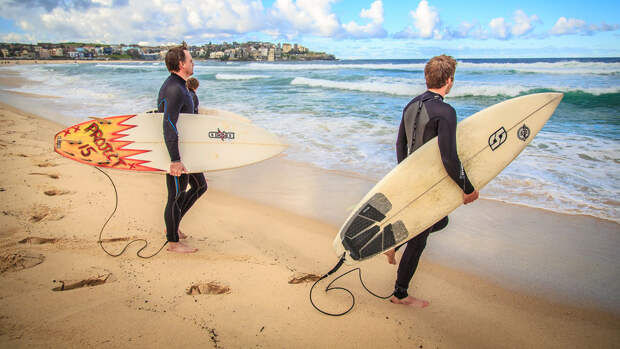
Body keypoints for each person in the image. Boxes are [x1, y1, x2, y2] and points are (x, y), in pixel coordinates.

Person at [385, 54, 479, 307]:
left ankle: (396, 243)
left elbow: (400, 144)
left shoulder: (410, 105)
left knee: (441, 221)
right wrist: (467, 188)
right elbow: (449, 157)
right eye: (452, 79)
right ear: (449, 81)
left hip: (411, 178)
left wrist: (404, 175)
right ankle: (400, 294)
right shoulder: (445, 111)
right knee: (421, 236)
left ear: (427, 78)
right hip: (428, 183)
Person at [157, 44, 208, 253]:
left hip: (187, 150)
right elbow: (168, 123)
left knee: (199, 186)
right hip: (177, 152)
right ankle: (173, 242)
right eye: (190, 59)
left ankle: (174, 225)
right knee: (175, 195)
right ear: (181, 64)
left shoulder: (181, 86)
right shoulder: (174, 89)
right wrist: (175, 159)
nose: (193, 62)